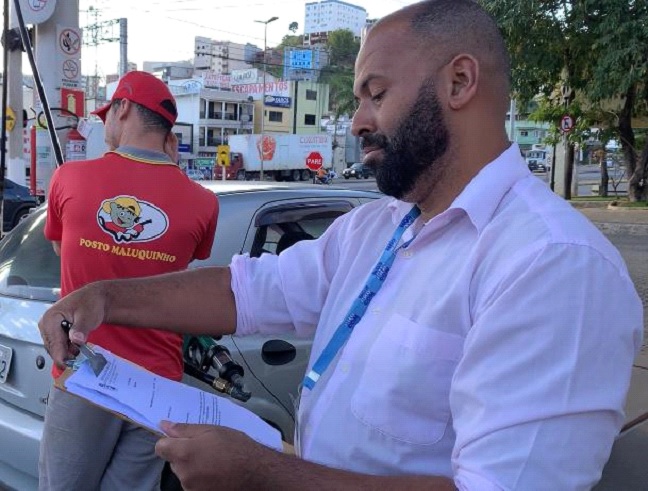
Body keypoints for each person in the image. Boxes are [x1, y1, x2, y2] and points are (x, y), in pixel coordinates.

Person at [39, 2, 642, 489]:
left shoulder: (553, 265)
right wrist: (106, 298)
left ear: (459, 82)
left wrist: (264, 474)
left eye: (375, 94)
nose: (356, 122)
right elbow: (245, 291)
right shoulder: (377, 228)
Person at [38, 70, 219, 491]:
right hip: (157, 386)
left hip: (84, 372)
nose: (104, 126)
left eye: (107, 115)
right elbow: (182, 264)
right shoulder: (203, 202)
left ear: (122, 109)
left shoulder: (69, 178)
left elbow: (61, 251)